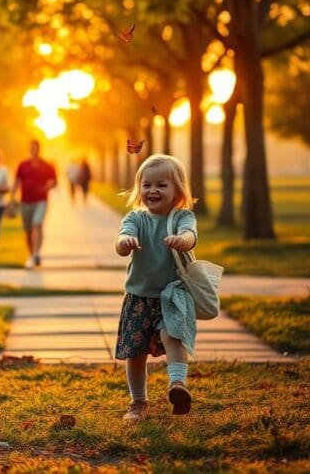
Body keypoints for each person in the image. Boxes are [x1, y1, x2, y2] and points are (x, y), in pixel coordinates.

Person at [114, 154, 198, 422]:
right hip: (138, 298)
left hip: (170, 295)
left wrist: (182, 240)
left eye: (161, 185)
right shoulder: (136, 219)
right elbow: (120, 240)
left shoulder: (182, 216)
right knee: (135, 353)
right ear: (139, 188)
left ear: (177, 189)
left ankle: (178, 384)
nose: (153, 190)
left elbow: (191, 236)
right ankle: (138, 402)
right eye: (147, 184)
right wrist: (126, 241)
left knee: (172, 337)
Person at [11, 140, 57, 268]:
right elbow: (17, 180)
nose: (33, 150)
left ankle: (36, 253)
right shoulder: (23, 165)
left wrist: (48, 186)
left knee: (37, 223)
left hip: (41, 200)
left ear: (39, 149)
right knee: (28, 231)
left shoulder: (47, 165)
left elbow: (53, 181)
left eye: (35, 148)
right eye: (31, 148)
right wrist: (12, 196)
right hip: (25, 201)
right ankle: (32, 254)